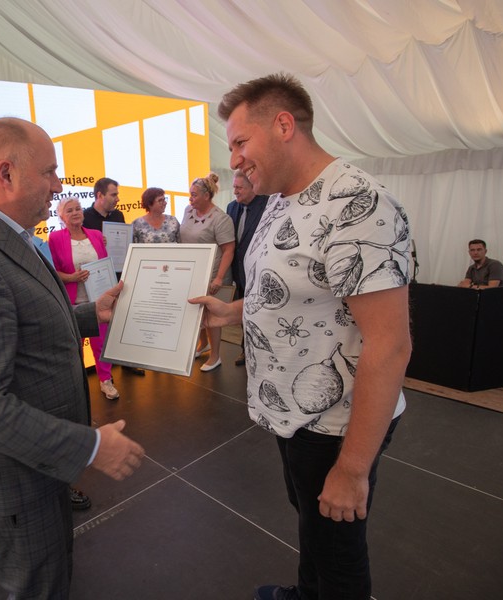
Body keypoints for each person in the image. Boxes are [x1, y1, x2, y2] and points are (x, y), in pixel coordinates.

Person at [191, 73, 412, 600]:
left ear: (284, 125)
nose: (234, 160)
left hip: (334, 425)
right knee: (312, 524)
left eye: (240, 143)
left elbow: (391, 345)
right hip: (291, 413)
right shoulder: (280, 199)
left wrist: (352, 470)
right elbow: (293, 293)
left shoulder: (357, 203)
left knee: (338, 551)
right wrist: (230, 312)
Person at [0, 117, 145, 599]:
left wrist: (92, 314)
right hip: (12, 482)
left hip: (35, 468)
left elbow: (27, 325)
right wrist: (90, 446)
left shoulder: (6, 238)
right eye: (49, 172)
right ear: (6, 174)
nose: (58, 186)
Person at [31, 230, 94, 511]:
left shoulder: (35, 244)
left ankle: (60, 486)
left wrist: (92, 313)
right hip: (32, 372)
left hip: (55, 361)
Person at [49, 196, 119, 400]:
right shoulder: (55, 238)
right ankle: (77, 383)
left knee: (101, 344)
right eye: (69, 210)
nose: (75, 213)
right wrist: (71, 277)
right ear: (61, 216)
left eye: (78, 209)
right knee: (74, 347)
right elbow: (52, 270)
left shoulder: (96, 235)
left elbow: (105, 265)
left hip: (97, 300)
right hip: (73, 302)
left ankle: (105, 380)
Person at [82, 176, 146, 376]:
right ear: (100, 195)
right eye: (114, 194)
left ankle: (127, 360)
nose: (118, 198)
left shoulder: (118, 215)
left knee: (123, 318)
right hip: (97, 279)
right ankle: (105, 372)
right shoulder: (85, 217)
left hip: (119, 274)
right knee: (101, 323)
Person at [180, 172, 235, 372]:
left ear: (206, 195)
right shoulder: (188, 211)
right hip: (193, 271)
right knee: (197, 309)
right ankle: (203, 344)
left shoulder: (220, 218)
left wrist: (219, 278)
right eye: (190, 194)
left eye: (194, 195)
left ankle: (215, 356)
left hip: (213, 275)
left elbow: (228, 250)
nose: (190, 199)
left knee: (213, 315)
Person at [226, 169, 269, 366]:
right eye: (234, 187)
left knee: (261, 312)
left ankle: (262, 353)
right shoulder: (231, 207)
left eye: (239, 187)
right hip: (239, 271)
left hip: (260, 270)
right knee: (244, 312)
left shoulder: (267, 205)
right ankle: (246, 350)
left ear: (252, 186)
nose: (235, 191)